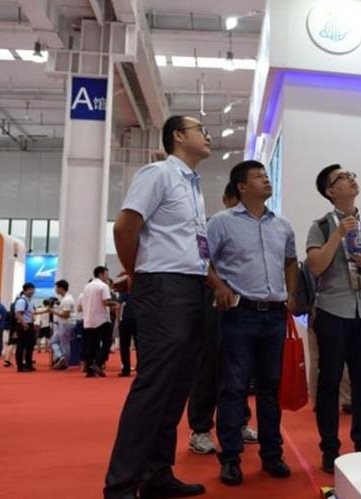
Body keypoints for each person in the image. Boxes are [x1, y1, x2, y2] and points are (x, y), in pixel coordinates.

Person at [105, 115, 221, 499]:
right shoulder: (158, 174)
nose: (207, 134)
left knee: (177, 387)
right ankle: (121, 484)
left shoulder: (193, 185)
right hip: (162, 286)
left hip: (192, 287)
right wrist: (137, 272)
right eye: (198, 129)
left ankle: (157, 474)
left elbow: (193, 245)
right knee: (155, 386)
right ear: (177, 136)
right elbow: (124, 227)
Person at [208, 160, 298, 486]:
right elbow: (201, 259)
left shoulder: (283, 226)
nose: (266, 179)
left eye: (266, 175)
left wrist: (291, 292)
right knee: (233, 387)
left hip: (274, 316)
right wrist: (219, 286)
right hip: (238, 315)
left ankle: (272, 454)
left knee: (270, 389)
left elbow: (291, 260)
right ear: (242, 187)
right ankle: (230, 457)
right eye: (258, 176)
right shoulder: (220, 223)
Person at [306, 164, 361, 475]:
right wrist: (339, 234)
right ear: (330, 191)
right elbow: (315, 266)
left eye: (351, 175)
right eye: (342, 178)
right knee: (329, 381)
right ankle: (330, 448)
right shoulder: (322, 226)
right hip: (333, 310)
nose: (351, 178)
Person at [187, 182, 258, 457]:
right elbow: (200, 262)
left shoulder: (255, 228)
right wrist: (218, 287)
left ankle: (239, 422)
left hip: (245, 307)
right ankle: (201, 429)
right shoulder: (212, 225)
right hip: (213, 305)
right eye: (236, 201)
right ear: (228, 198)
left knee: (241, 368)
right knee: (210, 367)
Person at [81, 266, 117, 378]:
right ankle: (98, 363)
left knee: (91, 344)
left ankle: (89, 369)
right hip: (102, 318)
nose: (107, 276)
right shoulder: (103, 286)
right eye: (106, 274)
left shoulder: (87, 286)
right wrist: (115, 303)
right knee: (107, 342)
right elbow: (106, 302)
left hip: (89, 319)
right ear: (101, 274)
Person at [50, 279, 77, 370]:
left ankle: (64, 362)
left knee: (64, 344)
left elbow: (66, 315)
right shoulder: (66, 299)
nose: (56, 290)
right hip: (64, 323)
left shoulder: (67, 300)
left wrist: (54, 312)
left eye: (56, 288)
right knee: (54, 341)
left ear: (61, 288)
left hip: (66, 324)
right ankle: (61, 357)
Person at [13, 283, 39, 372]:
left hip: (29, 324)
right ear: (25, 290)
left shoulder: (29, 301)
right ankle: (20, 366)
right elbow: (18, 314)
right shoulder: (22, 301)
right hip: (23, 325)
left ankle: (28, 364)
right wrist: (24, 324)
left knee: (30, 346)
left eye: (33, 289)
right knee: (21, 346)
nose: (32, 291)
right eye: (30, 289)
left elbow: (31, 313)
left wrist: (33, 323)